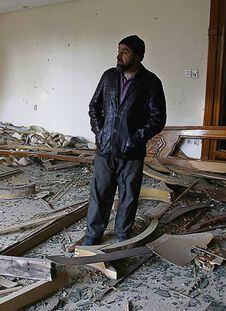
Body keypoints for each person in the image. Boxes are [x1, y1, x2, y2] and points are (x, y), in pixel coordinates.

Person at [84, 35, 167, 246]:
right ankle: (93, 235)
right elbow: (94, 106)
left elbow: (158, 118)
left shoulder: (151, 82)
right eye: (119, 50)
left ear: (138, 56)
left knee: (129, 195)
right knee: (100, 193)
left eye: (125, 51)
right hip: (105, 148)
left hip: (132, 152)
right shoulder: (109, 76)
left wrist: (136, 138)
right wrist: (99, 131)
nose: (119, 55)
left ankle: (122, 234)